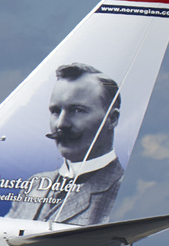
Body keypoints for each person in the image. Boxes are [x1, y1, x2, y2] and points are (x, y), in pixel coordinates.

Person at [7, 63, 123, 225]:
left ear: (112, 119)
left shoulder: (118, 190)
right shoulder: (35, 184)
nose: (61, 124)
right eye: (55, 111)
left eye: (77, 110)